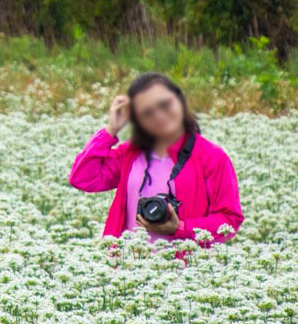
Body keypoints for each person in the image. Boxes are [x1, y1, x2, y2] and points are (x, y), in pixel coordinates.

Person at [70, 72, 242, 245]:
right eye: (147, 111)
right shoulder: (131, 154)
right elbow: (83, 178)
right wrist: (110, 130)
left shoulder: (211, 156)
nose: (159, 115)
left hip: (184, 267)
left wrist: (180, 228)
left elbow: (230, 219)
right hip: (127, 265)